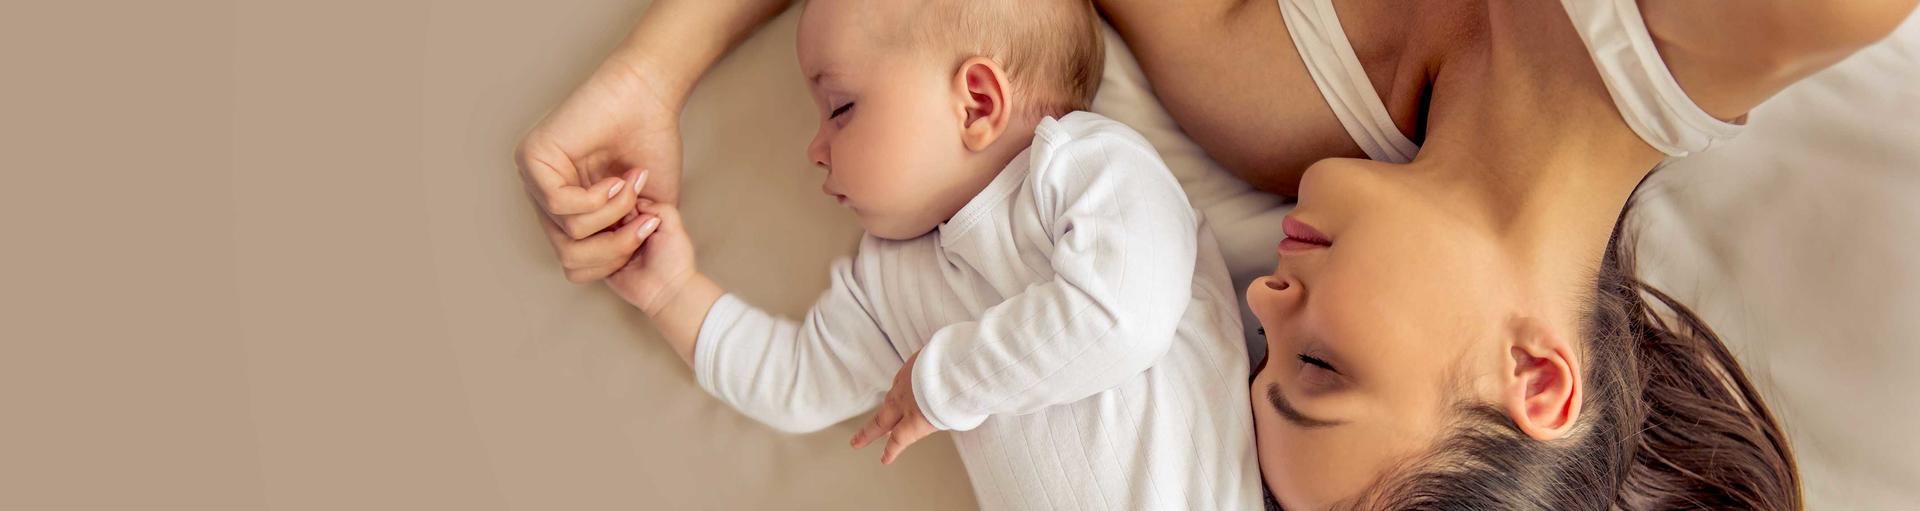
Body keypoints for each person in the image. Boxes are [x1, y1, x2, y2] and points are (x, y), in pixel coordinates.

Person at [515, 0, 1915, 508]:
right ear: (1537, 378)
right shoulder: (1770, 14)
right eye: (1315, 363)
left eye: (1258, 356)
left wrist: (659, 59)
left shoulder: (1253, 81)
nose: (1257, 293)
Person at [587, 0, 1260, 509]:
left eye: (840, 107)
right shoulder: (890, 275)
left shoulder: (1088, 167)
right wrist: (671, 293)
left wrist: (944, 384)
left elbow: (1123, 315)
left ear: (976, 103)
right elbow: (795, 380)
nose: (814, 148)